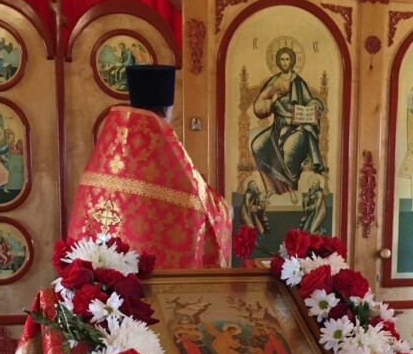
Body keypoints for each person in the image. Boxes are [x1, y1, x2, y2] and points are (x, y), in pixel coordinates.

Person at [67, 64, 232, 268]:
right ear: (167, 109)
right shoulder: (166, 153)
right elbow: (201, 203)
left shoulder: (106, 153)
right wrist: (224, 211)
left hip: (104, 283)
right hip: (158, 282)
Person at [251, 46, 325, 198]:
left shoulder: (298, 82)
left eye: (287, 59)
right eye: (282, 60)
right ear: (279, 62)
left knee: (289, 148)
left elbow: (309, 101)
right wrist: (272, 102)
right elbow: (259, 107)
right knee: (257, 145)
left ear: (291, 61)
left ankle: (291, 191)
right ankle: (271, 189)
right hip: (278, 127)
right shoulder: (274, 82)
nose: (285, 62)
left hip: (298, 128)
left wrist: (314, 105)